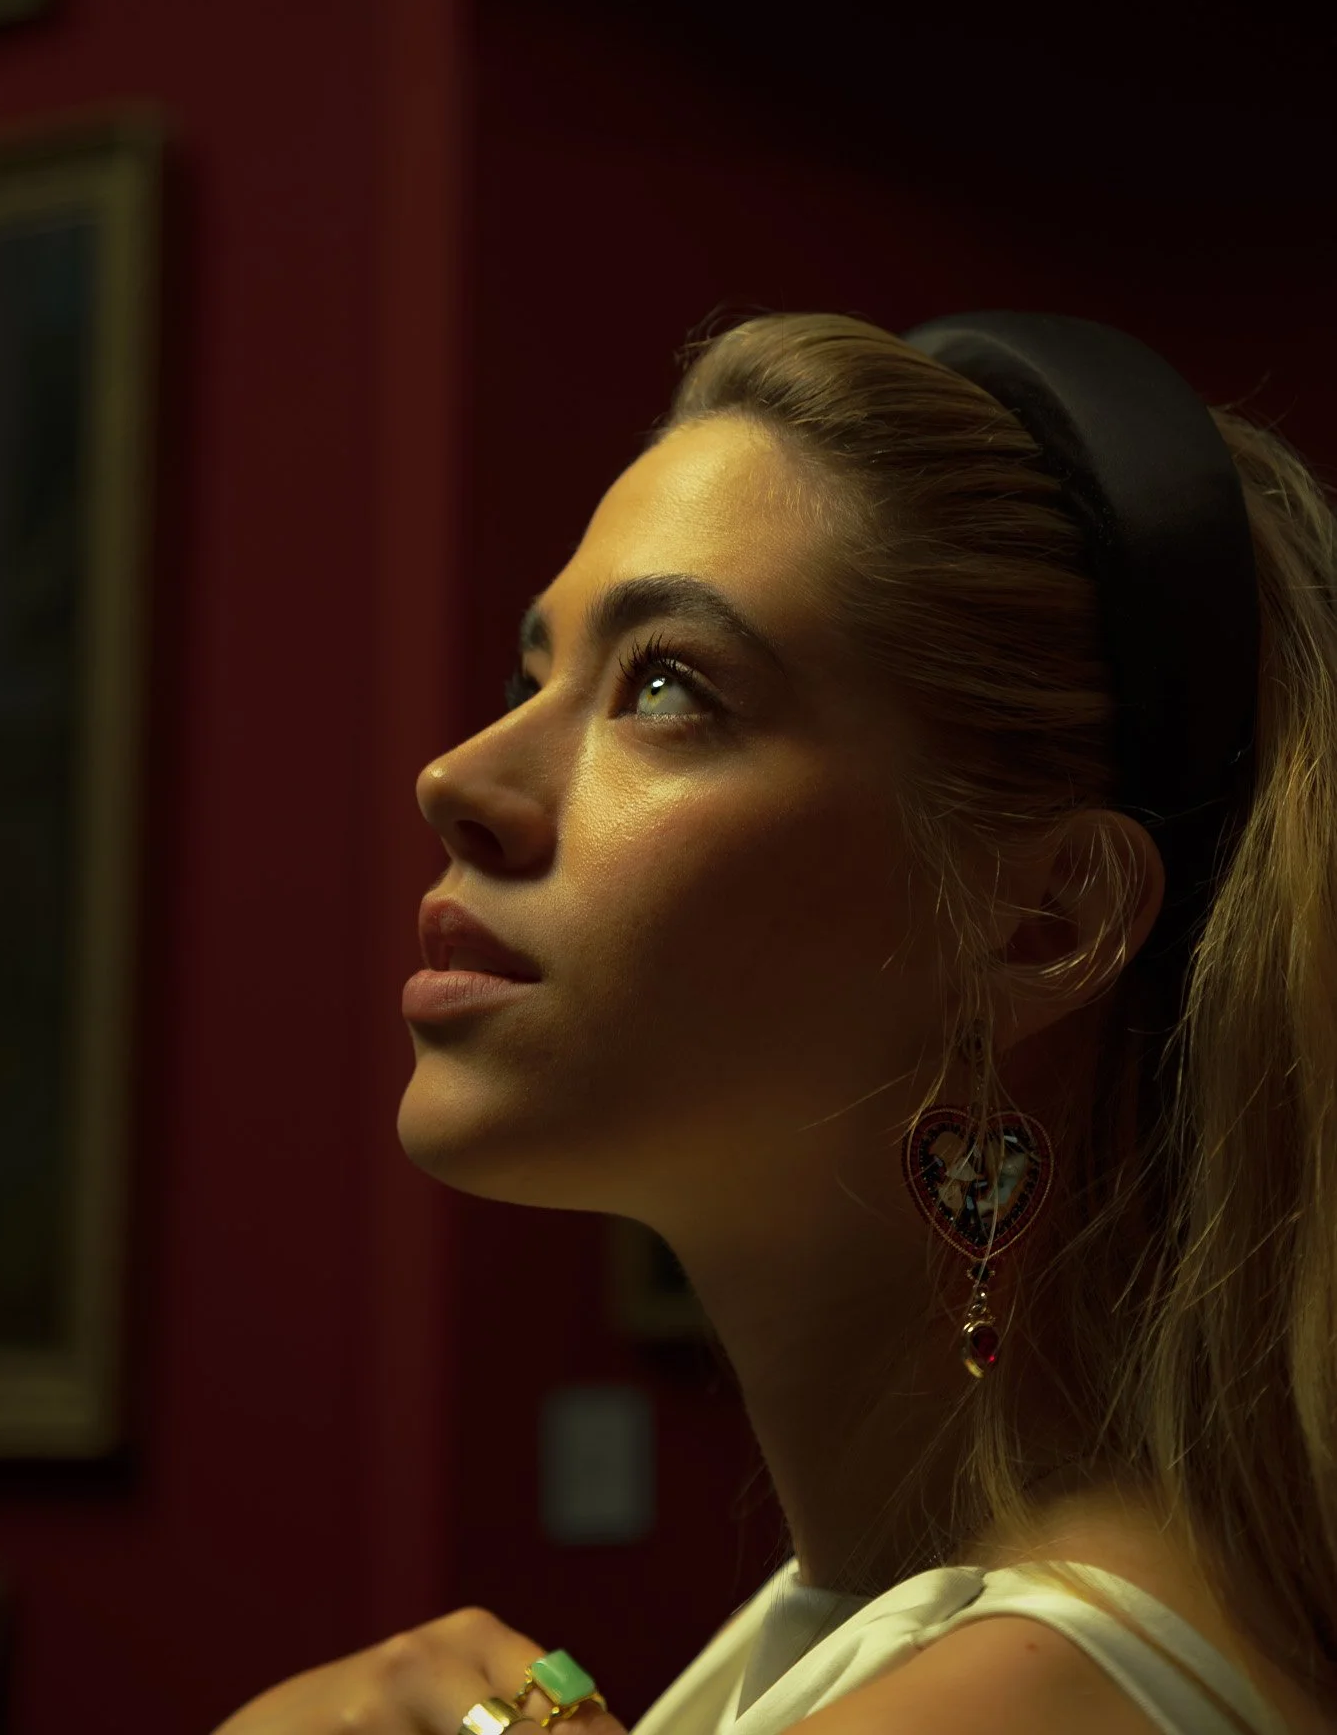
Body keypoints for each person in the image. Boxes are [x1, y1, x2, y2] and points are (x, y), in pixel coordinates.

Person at [214, 312, 1337, 1735]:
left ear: (1043, 920)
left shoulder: (1031, 1694)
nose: (456, 776)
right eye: (531, 678)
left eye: (667, 687)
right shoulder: (918, 1619)